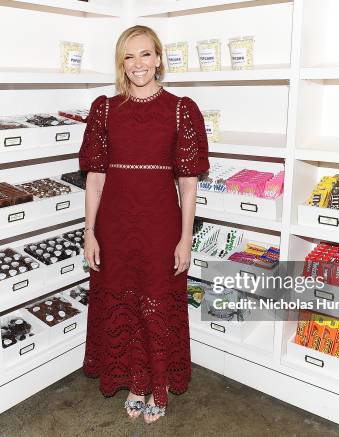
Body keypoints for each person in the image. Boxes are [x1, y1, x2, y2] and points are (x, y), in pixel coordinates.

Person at [78, 25, 210, 424]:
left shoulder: (181, 108)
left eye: (146, 54)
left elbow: (188, 185)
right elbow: (95, 179)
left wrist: (186, 238)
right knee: (123, 299)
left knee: (156, 301)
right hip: (114, 224)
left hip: (160, 224)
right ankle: (136, 382)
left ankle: (160, 384)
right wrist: (90, 232)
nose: (139, 64)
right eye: (130, 56)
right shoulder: (103, 108)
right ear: (122, 62)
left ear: (159, 59)